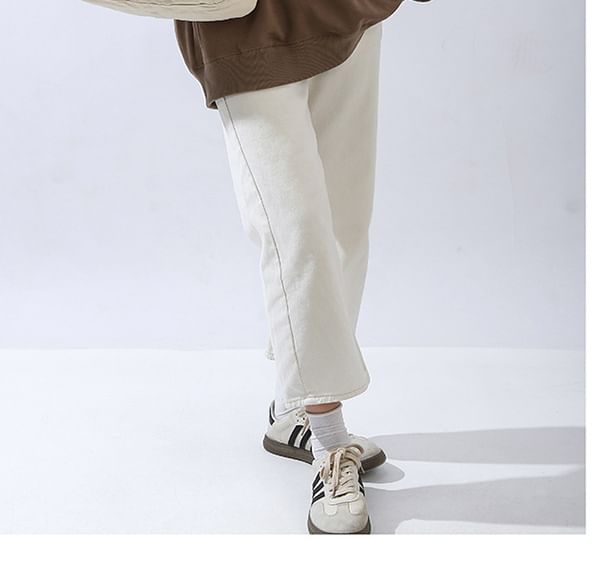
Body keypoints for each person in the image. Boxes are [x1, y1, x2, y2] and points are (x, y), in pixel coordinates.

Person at [174, 0, 428, 534]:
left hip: (347, 13)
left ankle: (294, 413)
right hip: (245, 30)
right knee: (298, 235)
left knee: (344, 229)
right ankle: (330, 444)